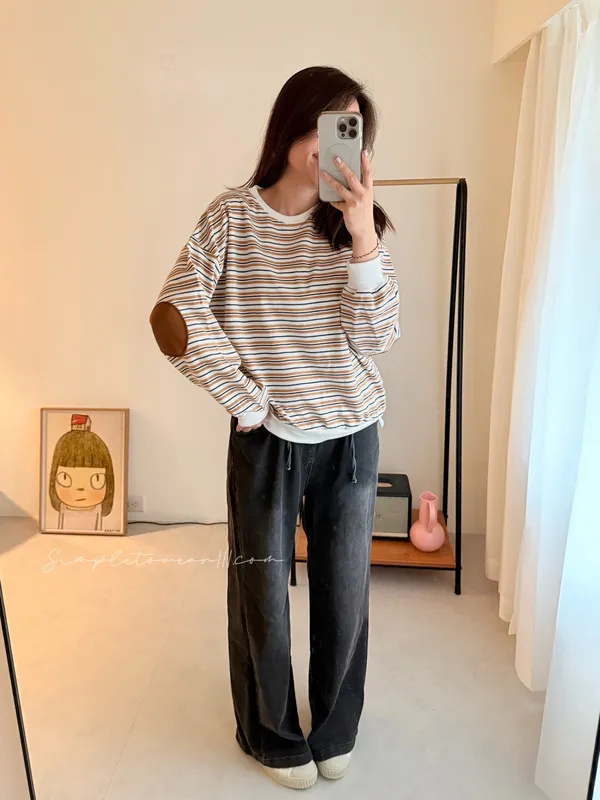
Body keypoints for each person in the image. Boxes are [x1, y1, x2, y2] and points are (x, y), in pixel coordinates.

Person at [150, 65, 400, 790]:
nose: (336, 143)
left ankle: (335, 729)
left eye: (350, 129)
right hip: (266, 443)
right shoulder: (231, 216)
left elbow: (378, 336)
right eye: (328, 123)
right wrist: (246, 400)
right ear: (294, 123)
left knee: (345, 591)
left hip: (351, 436)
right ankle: (270, 732)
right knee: (261, 593)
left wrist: (361, 234)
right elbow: (174, 315)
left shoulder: (356, 226)